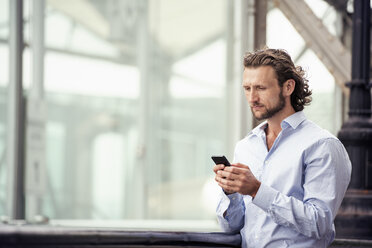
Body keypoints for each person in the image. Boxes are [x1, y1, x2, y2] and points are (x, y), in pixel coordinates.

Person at [213, 48, 351, 248]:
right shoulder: (246, 146)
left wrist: (257, 190)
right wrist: (230, 192)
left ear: (288, 87)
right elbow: (231, 228)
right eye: (247, 88)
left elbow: (319, 222)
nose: (252, 98)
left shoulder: (322, 145)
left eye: (260, 88)